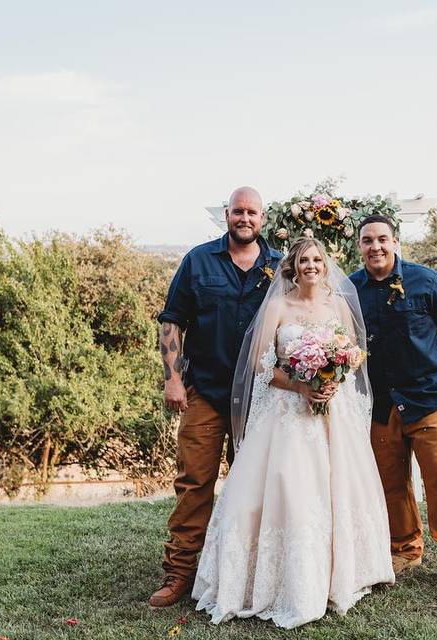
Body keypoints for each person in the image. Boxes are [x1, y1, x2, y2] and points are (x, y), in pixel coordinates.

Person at [191, 238, 394, 629]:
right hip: (287, 415)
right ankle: (282, 579)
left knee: (336, 487)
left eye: (318, 259)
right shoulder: (277, 307)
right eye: (305, 260)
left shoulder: (338, 304)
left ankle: (341, 573)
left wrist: (331, 381)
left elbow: (352, 355)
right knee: (291, 487)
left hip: (334, 413)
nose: (312, 266)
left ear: (326, 264)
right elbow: (260, 365)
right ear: (293, 266)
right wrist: (302, 386)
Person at [149, 186, 282, 608]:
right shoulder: (198, 260)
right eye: (238, 211)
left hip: (261, 397)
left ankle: (246, 571)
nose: (245, 218)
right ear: (226, 214)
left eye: (252, 212)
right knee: (194, 483)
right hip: (204, 392)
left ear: (263, 218)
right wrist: (172, 379)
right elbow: (172, 321)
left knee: (255, 489)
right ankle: (179, 572)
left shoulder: (280, 266)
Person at [349, 214, 437, 599]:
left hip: (427, 401)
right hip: (379, 405)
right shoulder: (350, 289)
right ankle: (404, 549)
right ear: (359, 246)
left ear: (396, 241)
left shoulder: (424, 280)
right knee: (390, 484)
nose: (375, 247)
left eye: (382, 239)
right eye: (367, 240)